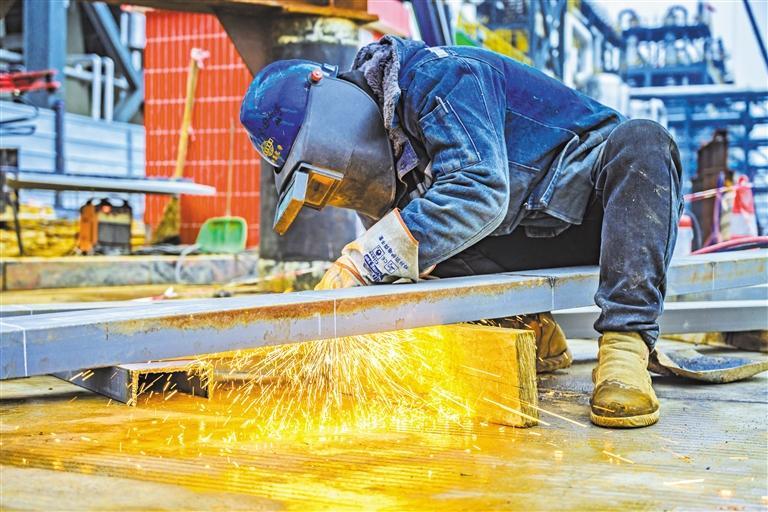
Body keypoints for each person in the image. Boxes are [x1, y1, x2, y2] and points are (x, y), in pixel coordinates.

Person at [240, 36, 683, 428]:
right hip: (522, 231)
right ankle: (531, 332)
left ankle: (625, 348)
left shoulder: (441, 77)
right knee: (418, 255)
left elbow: (479, 189)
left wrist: (362, 263)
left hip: (607, 213)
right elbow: (403, 260)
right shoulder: (387, 158)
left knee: (642, 140)